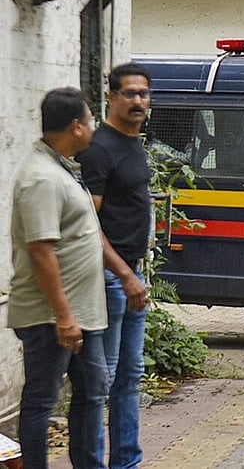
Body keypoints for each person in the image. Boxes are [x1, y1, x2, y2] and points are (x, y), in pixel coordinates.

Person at [8, 88, 108, 469]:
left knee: (92, 391)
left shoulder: (61, 167)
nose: (94, 128)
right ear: (76, 126)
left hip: (82, 313)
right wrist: (63, 316)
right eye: (90, 121)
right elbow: (40, 250)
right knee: (42, 399)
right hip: (50, 316)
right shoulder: (42, 178)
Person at [77, 63, 153, 469]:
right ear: (111, 97)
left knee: (129, 376)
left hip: (130, 275)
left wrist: (133, 274)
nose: (138, 100)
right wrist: (123, 274)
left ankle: (126, 462)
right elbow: (88, 224)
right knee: (100, 380)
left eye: (143, 93)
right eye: (130, 93)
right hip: (108, 277)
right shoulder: (100, 147)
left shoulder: (133, 143)